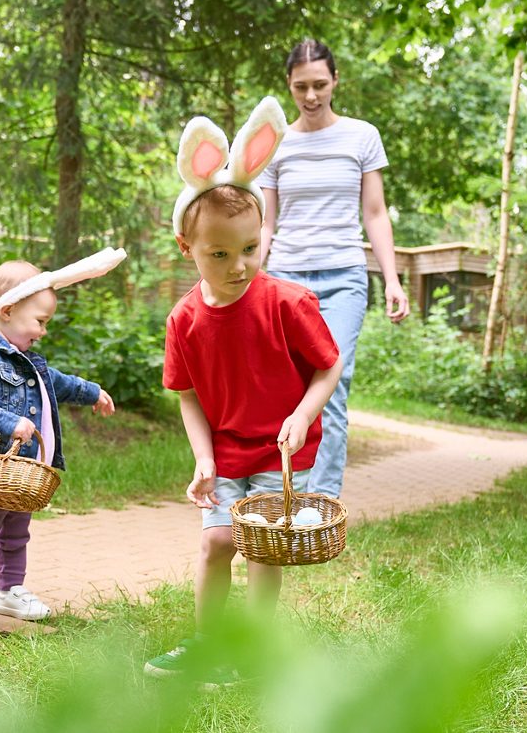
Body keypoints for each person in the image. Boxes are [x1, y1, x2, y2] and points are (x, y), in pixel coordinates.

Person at [144, 97, 343, 686]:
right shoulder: (184, 320)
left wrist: (305, 415)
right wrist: (204, 458)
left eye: (250, 249)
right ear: (189, 250)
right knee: (216, 544)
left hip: (283, 451)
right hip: (227, 450)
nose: (239, 265)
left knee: (261, 550)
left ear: (263, 236)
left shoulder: (287, 303)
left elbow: (327, 368)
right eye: (220, 254)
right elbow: (186, 395)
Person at [259, 38, 410, 499]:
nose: (310, 96)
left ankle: (320, 502)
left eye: (320, 84)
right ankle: (284, 490)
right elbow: (266, 222)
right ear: (288, 84)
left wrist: (393, 279)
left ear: (336, 80)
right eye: (301, 86)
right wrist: (245, 275)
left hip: (344, 276)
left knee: (334, 380)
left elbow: (376, 213)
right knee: (286, 386)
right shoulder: (275, 142)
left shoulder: (362, 136)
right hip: (285, 277)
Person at [0, 256, 121, 632]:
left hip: (20, 472)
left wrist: (92, 392)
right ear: (6, 310)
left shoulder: (26, 360)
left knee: (15, 532)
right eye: (40, 322)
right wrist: (8, 422)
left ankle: (9, 591)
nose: (42, 331)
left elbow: (56, 381)